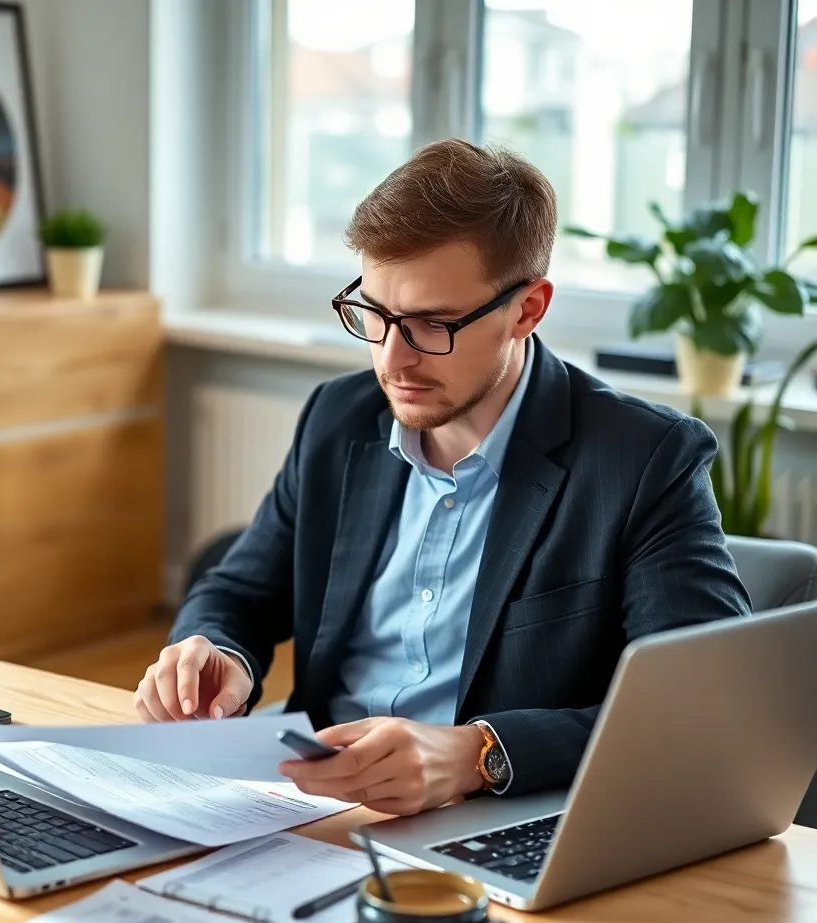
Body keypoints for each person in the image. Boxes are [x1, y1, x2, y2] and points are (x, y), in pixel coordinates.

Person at [135, 139, 751, 816]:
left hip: (494, 816)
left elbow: (699, 709)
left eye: (432, 324)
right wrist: (219, 655)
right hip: (307, 805)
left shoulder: (642, 460)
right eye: (374, 314)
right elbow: (239, 590)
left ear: (528, 309)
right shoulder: (338, 419)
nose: (394, 360)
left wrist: (479, 754)